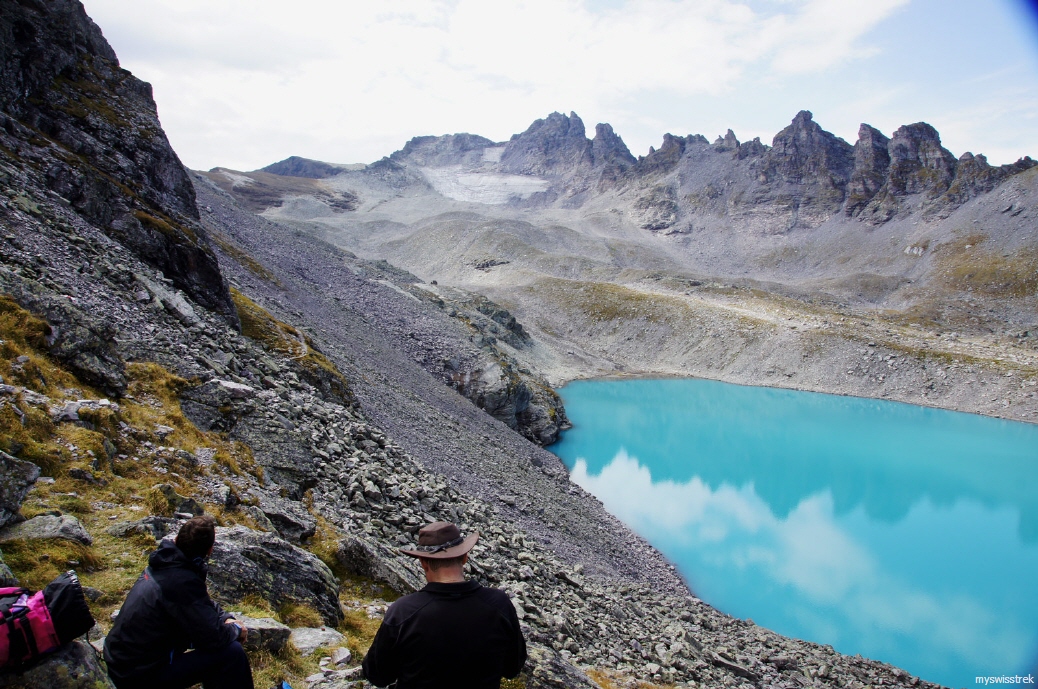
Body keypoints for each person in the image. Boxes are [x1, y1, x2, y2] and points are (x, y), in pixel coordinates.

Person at [362, 521, 527, 689]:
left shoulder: (404, 611)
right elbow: (513, 667)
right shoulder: (499, 604)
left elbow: (377, 675)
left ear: (423, 562)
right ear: (464, 557)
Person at [103, 515, 254, 689]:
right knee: (231, 654)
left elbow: (198, 603)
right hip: (138, 677)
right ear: (210, 550)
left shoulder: (165, 564)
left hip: (122, 664)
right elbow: (213, 637)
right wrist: (235, 629)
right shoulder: (181, 581)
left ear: (176, 540)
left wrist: (225, 618)